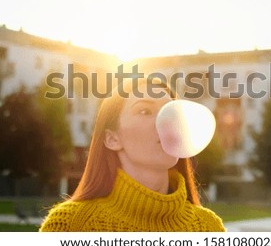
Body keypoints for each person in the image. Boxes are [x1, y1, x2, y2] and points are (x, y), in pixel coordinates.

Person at [39, 77, 225, 232]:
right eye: (145, 111)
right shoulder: (69, 226)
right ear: (112, 139)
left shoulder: (209, 228)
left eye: (170, 111)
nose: (166, 122)